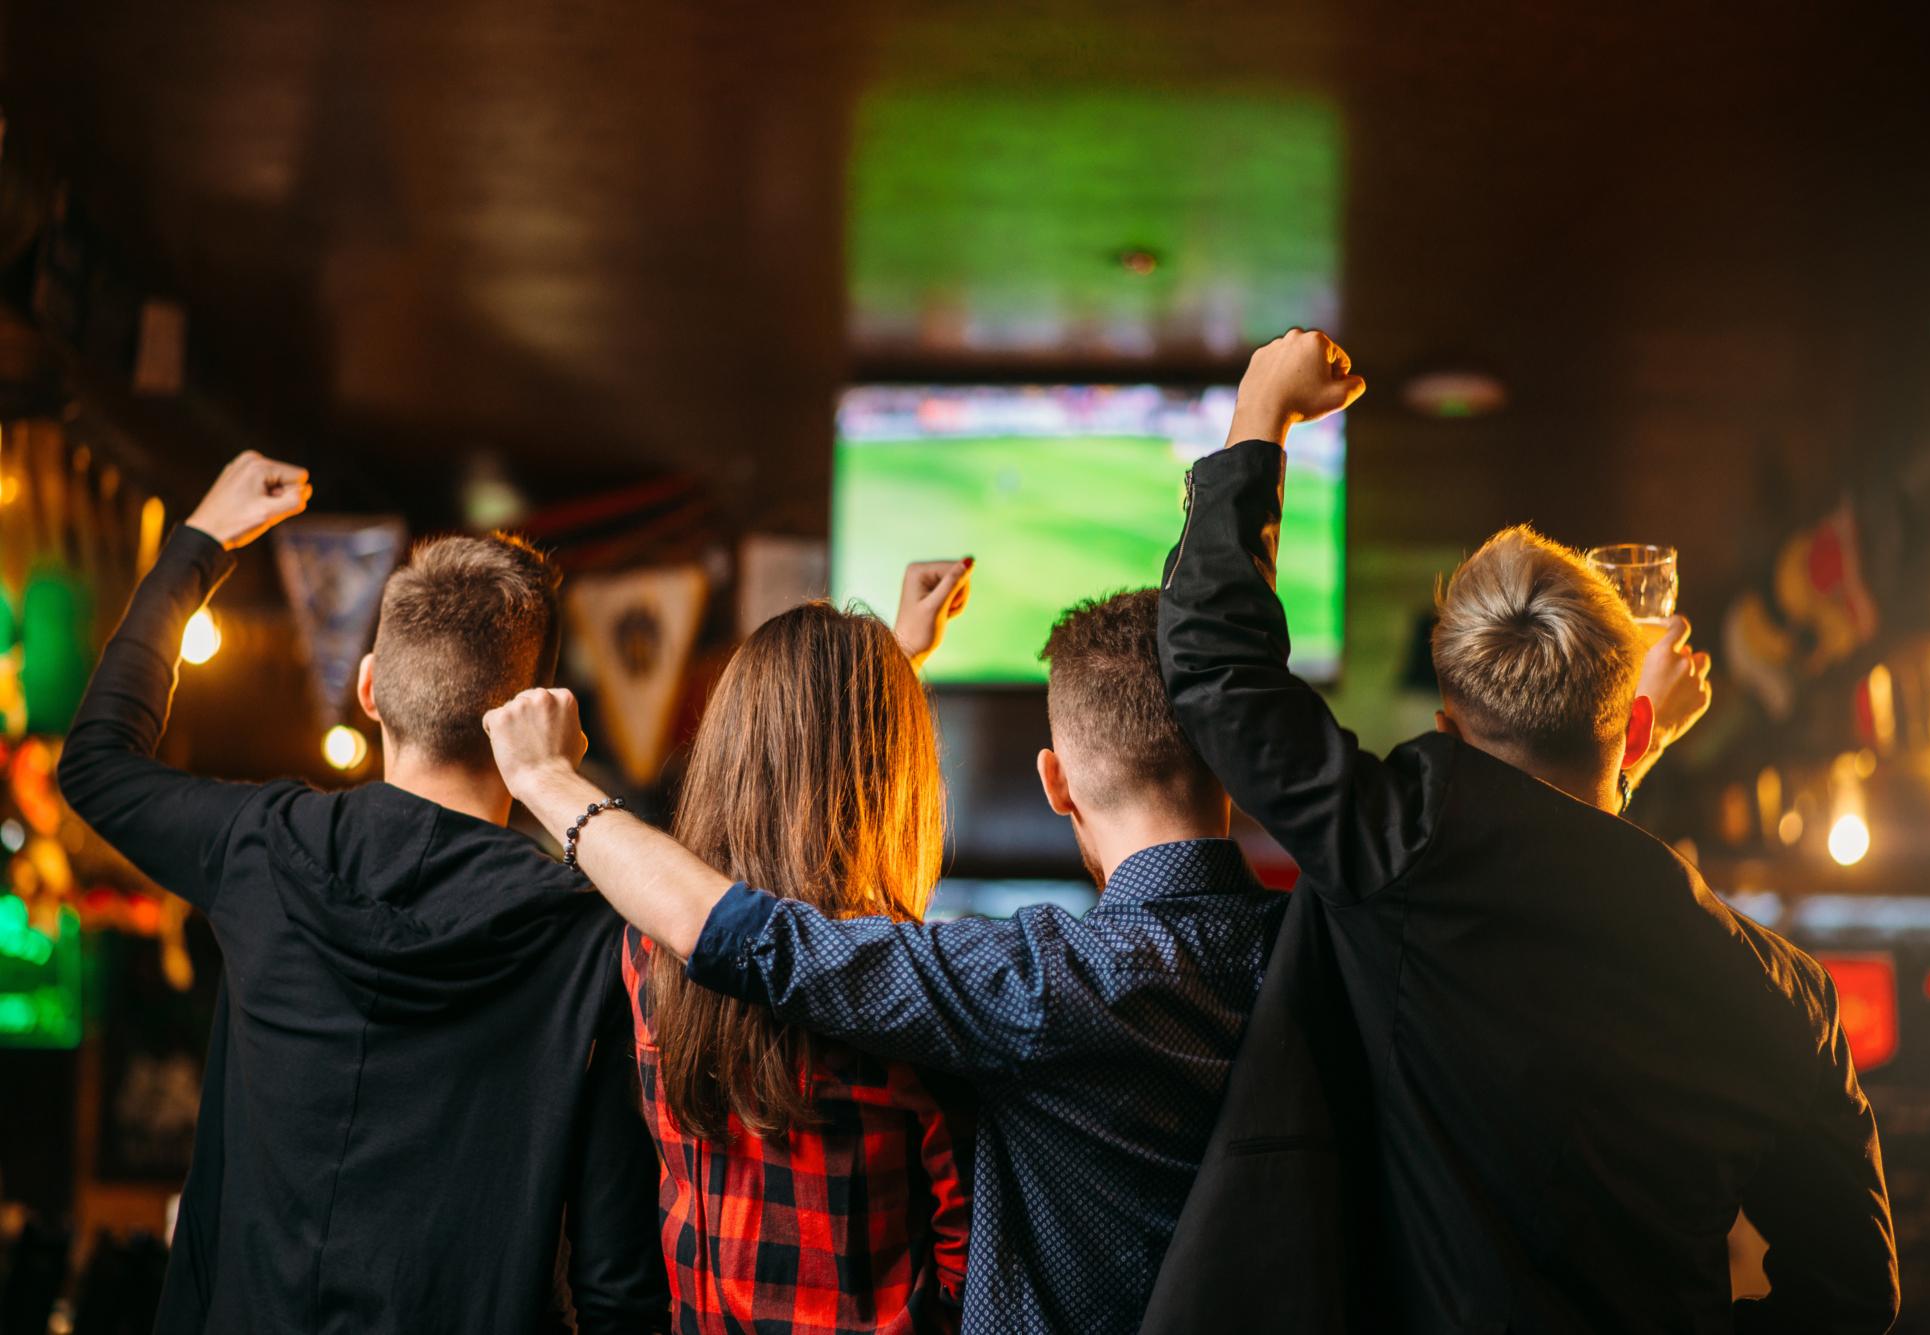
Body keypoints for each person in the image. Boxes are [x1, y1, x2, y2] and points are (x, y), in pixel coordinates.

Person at [1140, 330, 1898, 1334]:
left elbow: (1215, 671)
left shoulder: (1388, 849)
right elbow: (1850, 1297)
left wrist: (1259, 416)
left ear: (1448, 725)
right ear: (1630, 725)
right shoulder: (1783, 999)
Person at [481, 587, 1290, 1335]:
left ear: (1057, 780)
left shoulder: (647, 955)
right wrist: (876, 692)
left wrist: (547, 778)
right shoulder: (1292, 946)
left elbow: (735, 924)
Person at [58, 453, 665, 1335]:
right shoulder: (590, 938)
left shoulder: (260, 846)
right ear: (537, 714)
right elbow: (618, 1286)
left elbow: (98, 761)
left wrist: (201, 543)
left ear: (370, 687)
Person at [620, 593, 972, 1333]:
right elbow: (967, 1247)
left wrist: (883, 666)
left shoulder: (648, 947)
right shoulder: (903, 977)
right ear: (893, 774)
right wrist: (877, 690)